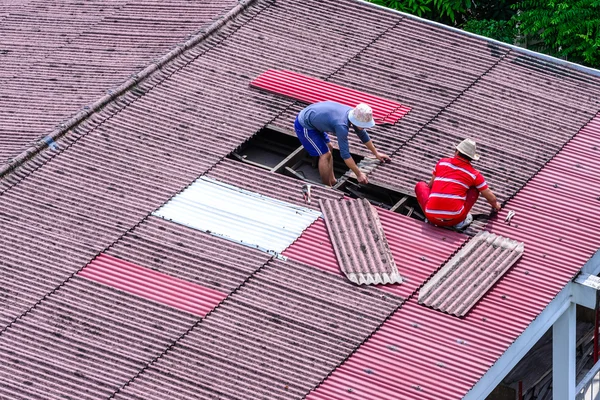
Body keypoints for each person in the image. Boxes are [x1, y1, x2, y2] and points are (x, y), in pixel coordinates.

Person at [294, 101, 390, 186]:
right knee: (324, 154)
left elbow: (363, 135)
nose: (365, 127)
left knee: (330, 147)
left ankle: (332, 180)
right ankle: (326, 186)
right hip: (304, 124)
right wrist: (359, 174)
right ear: (356, 121)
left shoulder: (352, 113)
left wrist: (376, 153)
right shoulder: (342, 126)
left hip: (315, 120)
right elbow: (345, 155)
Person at [414, 138, 501, 230]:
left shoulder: (442, 162)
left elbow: (430, 186)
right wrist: (496, 206)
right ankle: (460, 223)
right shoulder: (474, 174)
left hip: (431, 216)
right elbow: (490, 196)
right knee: (475, 189)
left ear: (456, 151)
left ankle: (432, 218)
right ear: (471, 158)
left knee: (420, 185)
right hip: (455, 219)